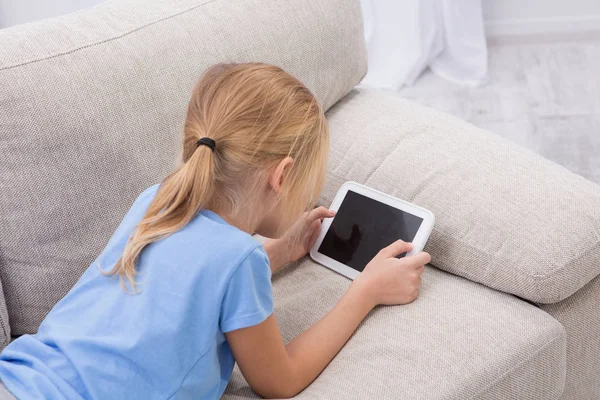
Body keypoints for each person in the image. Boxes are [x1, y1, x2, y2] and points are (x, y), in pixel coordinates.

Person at [0, 63, 430, 400]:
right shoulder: (238, 262)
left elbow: (188, 277)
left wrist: (278, 251)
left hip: (20, 374)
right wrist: (366, 292)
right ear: (281, 176)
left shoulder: (156, 198)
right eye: (309, 183)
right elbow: (280, 380)